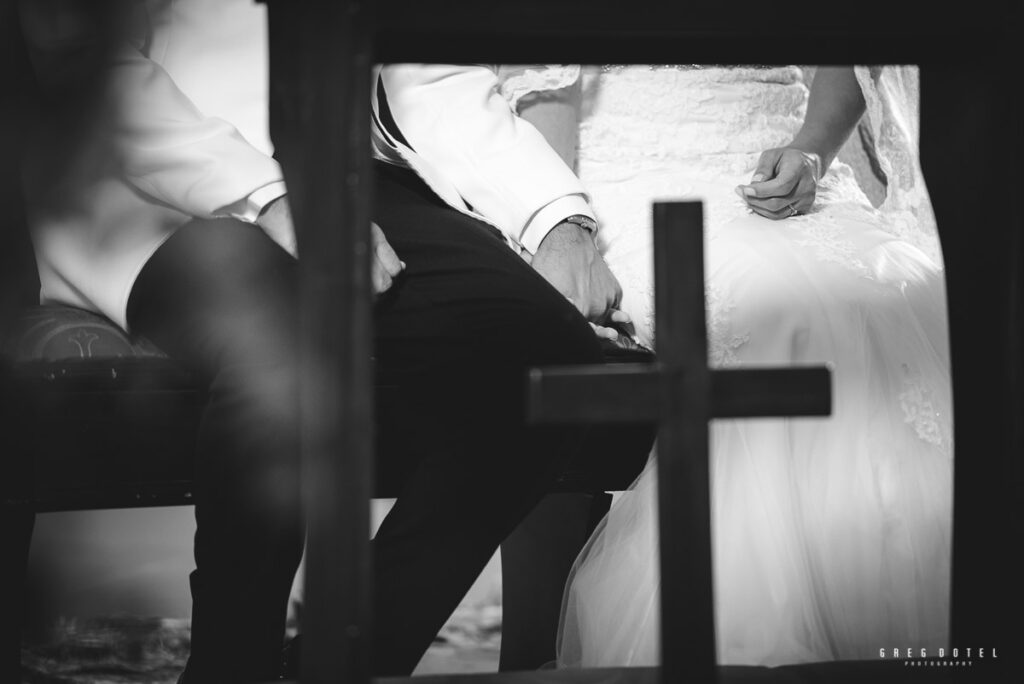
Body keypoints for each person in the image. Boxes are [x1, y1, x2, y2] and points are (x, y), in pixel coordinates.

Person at [19, 2, 653, 681]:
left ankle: (345, 658)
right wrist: (275, 197)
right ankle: (231, 666)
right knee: (282, 345)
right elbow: (90, 64)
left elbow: (435, 75)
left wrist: (555, 219)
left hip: (360, 173)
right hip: (157, 196)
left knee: (546, 357)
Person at [499, 65, 952, 666]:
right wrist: (559, 230)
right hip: (631, 176)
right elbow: (546, 84)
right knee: (787, 318)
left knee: (910, 298)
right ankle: (756, 637)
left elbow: (847, 51)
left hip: (792, 175)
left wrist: (810, 151)